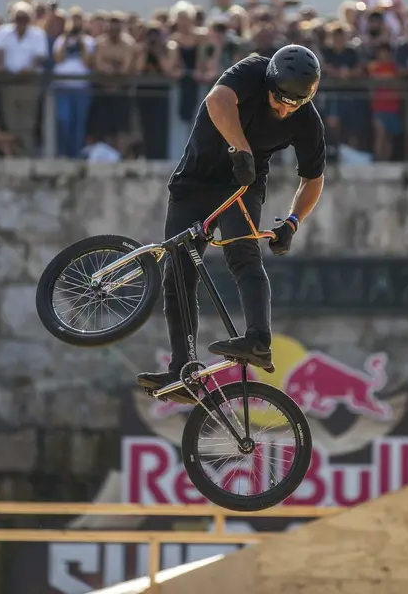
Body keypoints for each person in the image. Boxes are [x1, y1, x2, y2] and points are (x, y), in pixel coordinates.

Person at [136, 44, 327, 402]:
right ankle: (183, 369)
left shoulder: (306, 119)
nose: (285, 109)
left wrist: (293, 222)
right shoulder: (252, 70)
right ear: (269, 83)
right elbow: (217, 100)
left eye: (295, 104)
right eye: (279, 100)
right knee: (178, 274)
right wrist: (241, 149)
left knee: (243, 255)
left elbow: (313, 179)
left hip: (242, 185)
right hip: (194, 181)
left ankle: (258, 340)